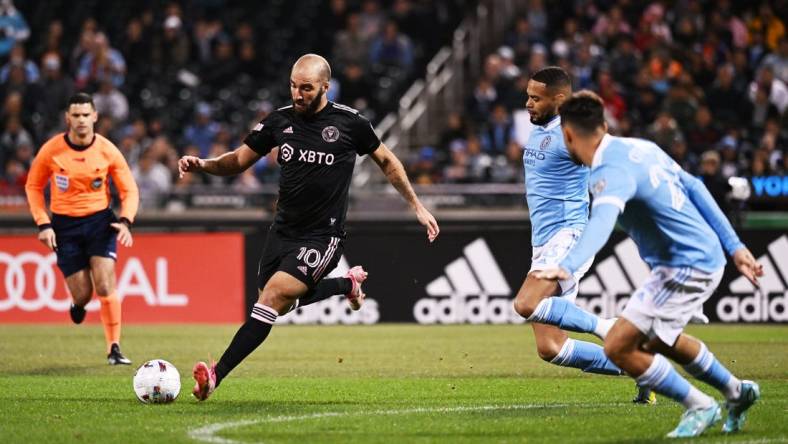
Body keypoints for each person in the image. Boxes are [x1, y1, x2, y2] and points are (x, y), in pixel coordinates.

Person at [180, 54, 439, 401]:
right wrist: (204, 165)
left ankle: (215, 375)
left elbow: (388, 162)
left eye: (306, 88)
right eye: (293, 86)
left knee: (273, 297)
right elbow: (238, 161)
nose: (297, 94)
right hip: (283, 231)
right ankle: (345, 285)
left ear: (325, 87)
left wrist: (417, 206)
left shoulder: (350, 124)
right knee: (277, 304)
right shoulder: (279, 121)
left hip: (323, 235)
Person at [536, 91, 763, 438]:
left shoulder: (607, 171)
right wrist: (735, 246)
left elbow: (602, 221)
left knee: (619, 347)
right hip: (688, 261)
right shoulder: (640, 148)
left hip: (689, 265)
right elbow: (696, 187)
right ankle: (737, 391)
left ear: (567, 135)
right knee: (661, 342)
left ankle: (700, 405)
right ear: (604, 125)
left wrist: (567, 264)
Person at [510, 67, 652, 402]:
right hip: (543, 242)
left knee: (527, 303)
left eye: (535, 98)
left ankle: (610, 329)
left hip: (568, 236)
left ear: (559, 100)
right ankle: (642, 365)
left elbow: (609, 158)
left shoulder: (570, 134)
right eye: (527, 96)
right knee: (550, 348)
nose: (528, 103)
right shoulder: (540, 127)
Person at [25, 92, 139, 365]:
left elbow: (129, 189)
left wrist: (125, 221)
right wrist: (43, 223)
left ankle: (114, 347)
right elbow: (33, 186)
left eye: (86, 115)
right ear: (68, 118)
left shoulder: (107, 150)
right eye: (75, 115)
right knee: (83, 293)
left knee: (104, 283)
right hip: (65, 227)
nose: (81, 120)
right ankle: (77, 305)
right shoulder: (52, 150)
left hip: (100, 222)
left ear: (95, 117)